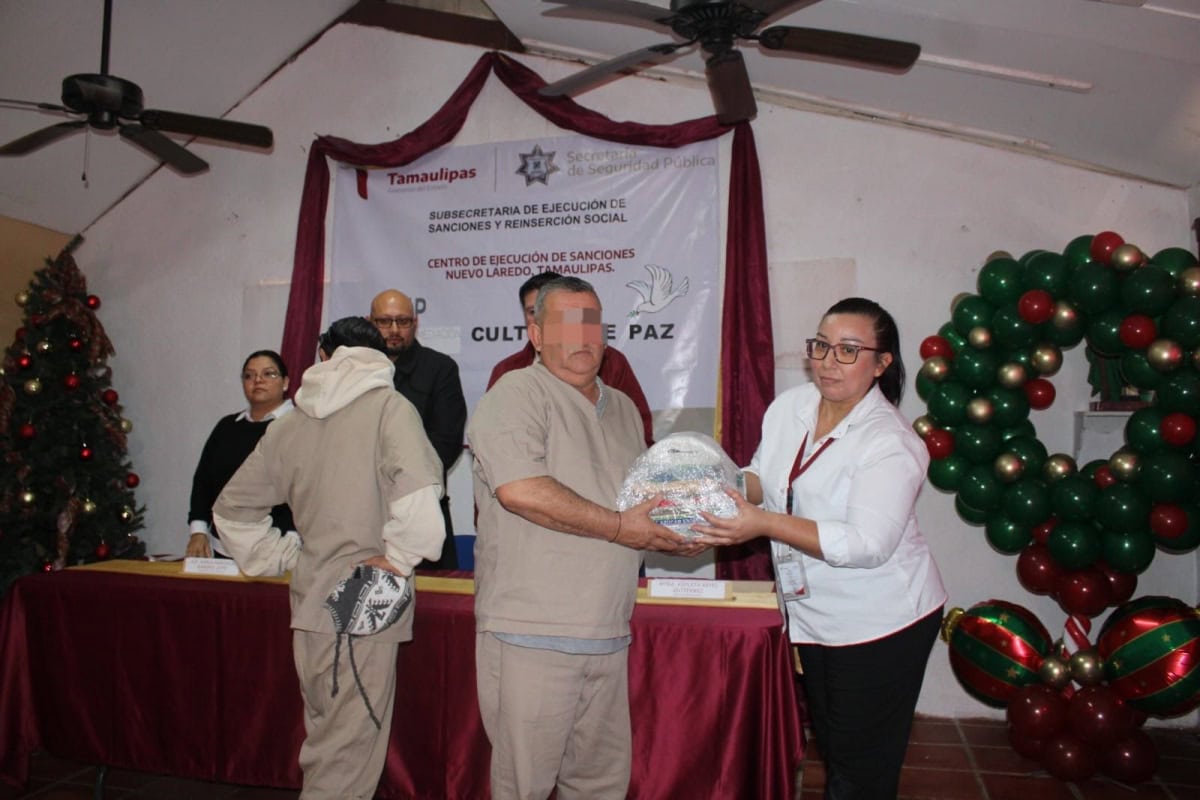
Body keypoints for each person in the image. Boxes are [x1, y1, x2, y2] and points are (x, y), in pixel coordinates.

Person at [693, 297, 947, 800]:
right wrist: (718, 488)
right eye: (821, 346)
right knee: (834, 747)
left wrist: (761, 523)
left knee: (860, 772)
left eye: (849, 350)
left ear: (882, 363)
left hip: (881, 621)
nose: (829, 362)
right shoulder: (790, 408)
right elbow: (764, 476)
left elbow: (868, 544)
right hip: (814, 614)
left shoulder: (890, 441)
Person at [468, 276, 703, 800]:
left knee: (599, 786)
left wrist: (678, 532)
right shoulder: (515, 394)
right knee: (523, 788)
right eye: (565, 325)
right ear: (535, 334)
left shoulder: (622, 407)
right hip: (531, 632)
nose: (583, 338)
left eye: (592, 325)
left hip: (609, 630)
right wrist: (621, 527)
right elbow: (522, 491)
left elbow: (638, 503)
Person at [213, 317, 445, 800]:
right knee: (347, 754)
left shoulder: (290, 423)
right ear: (381, 356)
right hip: (367, 590)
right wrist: (401, 559)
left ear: (323, 354)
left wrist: (282, 554)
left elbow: (231, 510)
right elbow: (420, 499)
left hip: (310, 596)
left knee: (326, 737)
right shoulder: (390, 409)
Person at [488, 271, 655, 447]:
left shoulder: (612, 363)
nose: (540, 317)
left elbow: (639, 434)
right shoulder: (507, 371)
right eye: (533, 311)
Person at [369, 289, 466, 569]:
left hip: (421, 510)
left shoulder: (440, 368)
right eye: (384, 322)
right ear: (370, 323)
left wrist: (390, 477)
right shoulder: (355, 372)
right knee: (357, 592)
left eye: (403, 321)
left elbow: (445, 444)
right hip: (364, 512)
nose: (394, 330)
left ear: (415, 323)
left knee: (428, 595)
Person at [185, 350, 296, 558]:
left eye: (268, 374)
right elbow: (203, 482)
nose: (258, 380)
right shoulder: (227, 427)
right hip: (221, 548)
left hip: (280, 549)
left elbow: (308, 491)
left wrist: (293, 536)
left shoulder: (300, 426)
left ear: (285, 382)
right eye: (249, 375)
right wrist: (198, 531)